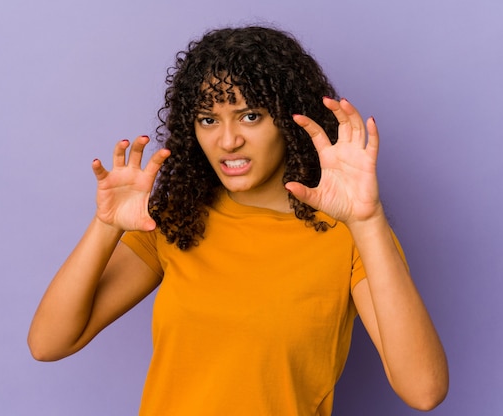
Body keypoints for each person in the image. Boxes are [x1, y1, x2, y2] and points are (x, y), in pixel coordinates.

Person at [28, 26, 448, 415]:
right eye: (209, 120)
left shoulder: (350, 235)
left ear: (288, 119)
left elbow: (424, 390)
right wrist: (106, 226)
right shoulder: (177, 221)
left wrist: (369, 220)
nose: (228, 141)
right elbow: (48, 343)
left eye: (250, 116)